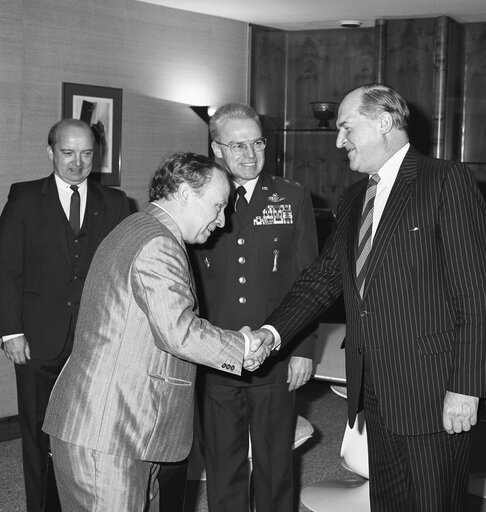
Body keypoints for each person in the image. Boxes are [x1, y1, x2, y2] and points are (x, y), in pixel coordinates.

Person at [255, 84, 486, 512]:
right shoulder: (354, 198)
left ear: (384, 123)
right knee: (387, 501)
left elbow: (479, 294)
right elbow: (322, 280)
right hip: (374, 387)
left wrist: (465, 388)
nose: (339, 141)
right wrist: (272, 332)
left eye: (346, 128)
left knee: (433, 503)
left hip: (435, 388)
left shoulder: (446, 180)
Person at [41, 152, 272, 512]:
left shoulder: (141, 228)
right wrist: (242, 345)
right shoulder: (158, 244)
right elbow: (179, 332)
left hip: (126, 427)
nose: (222, 221)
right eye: (217, 206)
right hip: (110, 431)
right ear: (183, 193)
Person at [189, 103, 318, 511]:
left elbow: (309, 281)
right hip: (216, 354)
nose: (250, 153)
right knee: (223, 463)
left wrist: (304, 350)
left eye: (257, 142)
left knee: (275, 462)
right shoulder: (199, 200)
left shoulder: (291, 196)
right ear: (217, 150)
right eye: (237, 145)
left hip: (276, 354)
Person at [0, 118, 130, 512]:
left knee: (89, 436)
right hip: (37, 340)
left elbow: (123, 273)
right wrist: (10, 332)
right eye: (68, 152)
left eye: (87, 153)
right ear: (51, 152)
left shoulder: (117, 203)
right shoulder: (23, 199)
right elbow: (7, 269)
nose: (77, 162)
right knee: (39, 437)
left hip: (95, 343)